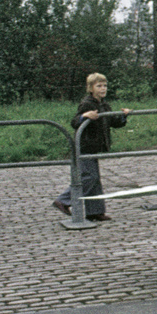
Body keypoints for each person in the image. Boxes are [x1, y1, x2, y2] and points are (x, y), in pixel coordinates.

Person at [53, 72, 131, 221]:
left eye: (105, 85)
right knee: (89, 177)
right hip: (85, 145)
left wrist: (123, 116)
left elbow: (113, 122)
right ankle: (63, 200)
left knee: (95, 179)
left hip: (95, 146)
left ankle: (95, 211)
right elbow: (75, 122)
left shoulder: (104, 105)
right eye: (99, 86)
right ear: (90, 88)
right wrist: (85, 116)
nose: (103, 88)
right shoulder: (87, 103)